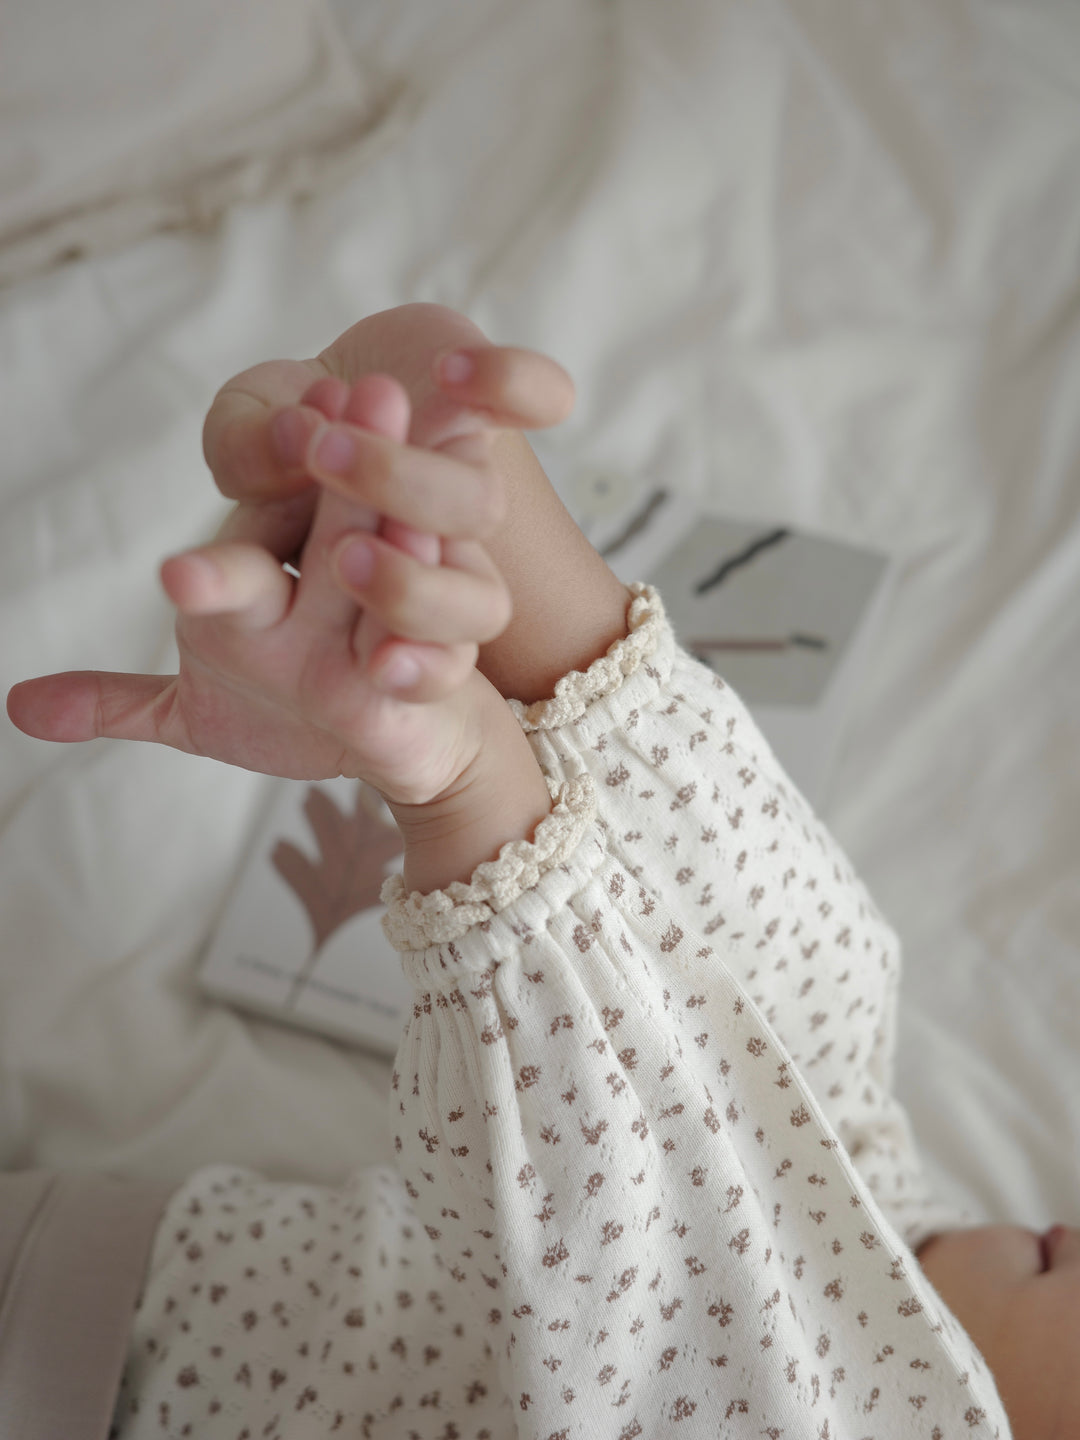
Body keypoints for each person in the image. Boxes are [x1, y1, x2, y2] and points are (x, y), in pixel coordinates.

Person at [4, 301, 1068, 1438]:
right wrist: (480, 498)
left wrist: (469, 787)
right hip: (95, 1273)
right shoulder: (906, 1250)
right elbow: (792, 997)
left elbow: (626, 1283)